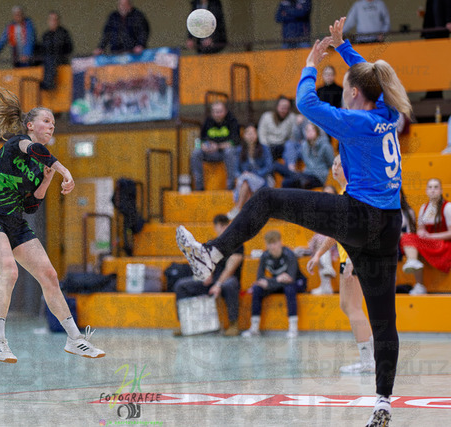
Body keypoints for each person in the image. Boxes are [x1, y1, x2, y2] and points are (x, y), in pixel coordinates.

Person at [176, 17, 411, 426]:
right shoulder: (388, 113)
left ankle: (211, 254)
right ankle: (383, 403)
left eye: (348, 88)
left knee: (267, 198)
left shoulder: (355, 121)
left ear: (354, 93)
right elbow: (370, 77)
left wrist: (310, 64)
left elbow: (306, 103)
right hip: (389, 226)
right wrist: (343, 48)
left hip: (359, 215)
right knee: (384, 318)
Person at [0, 89, 105, 362]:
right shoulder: (19, 143)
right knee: (9, 272)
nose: (51, 126)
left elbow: (31, 206)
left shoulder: (38, 168)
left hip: (15, 222)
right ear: (30, 125)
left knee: (49, 275)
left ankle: (75, 339)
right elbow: (36, 150)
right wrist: (64, 171)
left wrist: (46, 181)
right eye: (46, 121)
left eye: (53, 124)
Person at [307, 155, 375, 374]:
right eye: (334, 163)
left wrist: (354, 260)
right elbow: (336, 232)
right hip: (350, 257)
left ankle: (369, 361)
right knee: (347, 306)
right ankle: (370, 357)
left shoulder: (353, 195)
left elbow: (363, 230)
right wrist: (319, 254)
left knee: (353, 307)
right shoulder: (343, 194)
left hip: (355, 257)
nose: (334, 167)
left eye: (339, 164)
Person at [173, 214, 244, 337]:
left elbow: (231, 267)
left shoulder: (237, 244)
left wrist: (218, 284)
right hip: (212, 282)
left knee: (229, 284)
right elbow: (205, 263)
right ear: (215, 227)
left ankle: (233, 324)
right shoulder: (212, 243)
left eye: (225, 225)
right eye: (220, 226)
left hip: (227, 281)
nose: (222, 229)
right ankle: (185, 324)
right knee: (181, 286)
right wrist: (206, 275)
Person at [241, 230, 306, 338]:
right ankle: (254, 328)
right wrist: (276, 280)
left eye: (274, 243)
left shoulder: (289, 254)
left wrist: (270, 282)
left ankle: (293, 328)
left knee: (289, 288)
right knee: (257, 288)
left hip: (297, 282)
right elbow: (259, 278)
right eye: (269, 244)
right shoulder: (265, 256)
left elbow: (290, 278)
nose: (272, 247)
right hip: (278, 283)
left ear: (280, 242)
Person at [400, 178, 451, 295]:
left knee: (409, 240)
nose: (433, 190)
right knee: (408, 237)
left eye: (436, 187)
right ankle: (418, 279)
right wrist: (422, 233)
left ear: (441, 190)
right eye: (430, 187)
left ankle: (413, 262)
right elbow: (420, 230)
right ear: (426, 191)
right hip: (430, 244)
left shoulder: (447, 207)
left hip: (444, 246)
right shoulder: (424, 208)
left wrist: (430, 236)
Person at [294, 185, 339, 295]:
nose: (327, 197)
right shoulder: (320, 214)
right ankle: (326, 286)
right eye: (325, 194)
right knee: (304, 250)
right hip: (323, 245)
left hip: (337, 244)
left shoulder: (338, 211)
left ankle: (327, 275)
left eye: (330, 194)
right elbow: (317, 234)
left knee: (321, 246)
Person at [191, 101, 240, 191]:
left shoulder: (232, 121)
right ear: (212, 112)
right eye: (215, 112)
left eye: (220, 111)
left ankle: (231, 186)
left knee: (230, 151)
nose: (217, 114)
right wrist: (203, 146)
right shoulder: (207, 121)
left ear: (225, 111)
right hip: (210, 152)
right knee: (195, 152)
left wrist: (217, 146)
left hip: (224, 153)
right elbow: (200, 140)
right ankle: (199, 187)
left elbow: (235, 142)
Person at [227, 124, 273, 220]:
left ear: (257, 135)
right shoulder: (239, 150)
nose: (251, 136)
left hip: (261, 178)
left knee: (246, 181)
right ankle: (247, 212)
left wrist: (254, 174)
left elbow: (269, 167)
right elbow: (236, 170)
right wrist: (242, 175)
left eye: (253, 133)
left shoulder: (264, 148)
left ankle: (238, 208)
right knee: (246, 182)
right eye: (248, 133)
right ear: (244, 136)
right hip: (245, 179)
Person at [276, 122, 334, 189]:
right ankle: (299, 178)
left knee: (288, 181)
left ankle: (299, 178)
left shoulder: (325, 146)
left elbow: (331, 162)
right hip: (306, 173)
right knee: (282, 173)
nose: (309, 132)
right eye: (307, 130)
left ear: (317, 132)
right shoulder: (304, 145)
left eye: (312, 130)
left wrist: (321, 170)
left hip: (318, 176)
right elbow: (294, 152)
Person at [40, 11, 73, 91]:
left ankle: (49, 83)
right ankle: (48, 82)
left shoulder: (64, 33)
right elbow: (42, 49)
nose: (53, 22)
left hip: (61, 59)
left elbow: (70, 48)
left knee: (51, 59)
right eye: (51, 19)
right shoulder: (46, 35)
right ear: (48, 21)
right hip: (48, 61)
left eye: (55, 19)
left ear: (58, 21)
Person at [257, 96, 296, 161]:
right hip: (268, 146)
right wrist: (266, 146)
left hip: (282, 146)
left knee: (290, 147)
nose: (284, 110)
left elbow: (293, 136)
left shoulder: (292, 117)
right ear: (277, 107)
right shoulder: (266, 116)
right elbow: (262, 134)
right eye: (282, 108)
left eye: (287, 108)